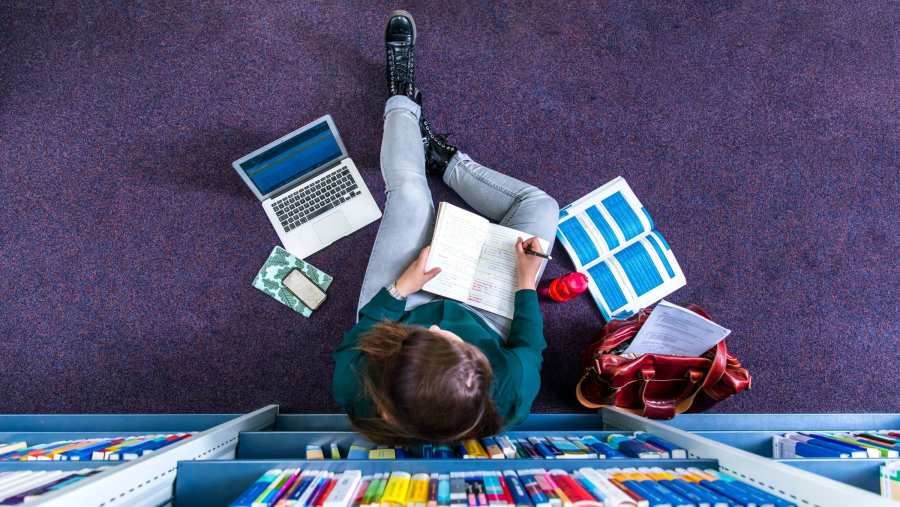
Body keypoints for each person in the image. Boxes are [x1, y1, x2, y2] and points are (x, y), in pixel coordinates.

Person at [332, 10, 559, 444]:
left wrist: (400, 289)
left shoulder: (355, 385)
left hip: (403, 303)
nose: (441, 327)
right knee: (542, 208)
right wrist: (526, 285)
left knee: (413, 198)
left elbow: (359, 336)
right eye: (459, 347)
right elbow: (529, 344)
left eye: (429, 339)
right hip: (487, 316)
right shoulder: (510, 395)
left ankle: (402, 99)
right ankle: (447, 162)